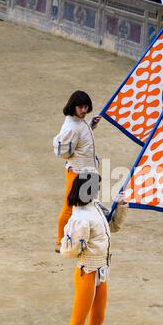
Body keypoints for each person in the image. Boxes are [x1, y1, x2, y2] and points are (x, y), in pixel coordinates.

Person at [55, 174, 128, 325]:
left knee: (97, 319)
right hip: (87, 273)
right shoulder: (80, 218)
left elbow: (112, 226)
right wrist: (81, 245)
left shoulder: (95, 207)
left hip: (100, 272)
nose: (96, 192)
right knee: (77, 323)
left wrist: (121, 208)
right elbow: (68, 252)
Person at [53, 91, 101, 253]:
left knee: (88, 207)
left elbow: (82, 135)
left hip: (87, 171)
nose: (84, 110)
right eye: (81, 107)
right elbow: (64, 152)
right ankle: (60, 242)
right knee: (70, 208)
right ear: (73, 107)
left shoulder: (80, 122)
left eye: (86, 107)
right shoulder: (72, 127)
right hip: (78, 173)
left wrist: (92, 125)